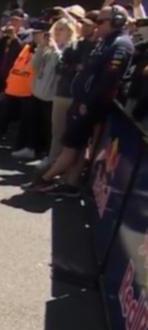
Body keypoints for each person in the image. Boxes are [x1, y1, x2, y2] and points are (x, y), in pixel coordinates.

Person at [26, 5, 135, 196]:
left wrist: (88, 103)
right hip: (81, 101)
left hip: (89, 105)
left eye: (101, 22)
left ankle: (44, 180)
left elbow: (108, 81)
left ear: (116, 22)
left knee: (70, 144)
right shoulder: (105, 41)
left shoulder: (120, 45)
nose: (97, 26)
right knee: (76, 145)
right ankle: (70, 183)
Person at [14, 19, 75, 161]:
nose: (58, 32)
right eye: (57, 28)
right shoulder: (48, 47)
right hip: (38, 90)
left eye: (62, 29)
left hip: (53, 94)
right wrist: (42, 47)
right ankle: (30, 148)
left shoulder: (69, 48)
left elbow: (58, 66)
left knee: (49, 127)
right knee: (32, 121)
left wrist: (54, 49)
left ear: (69, 32)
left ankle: (48, 154)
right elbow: (33, 66)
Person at [0, 40, 35, 151]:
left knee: (26, 122)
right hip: (12, 89)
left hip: (28, 92)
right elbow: (13, 67)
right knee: (1, 117)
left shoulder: (43, 51)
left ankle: (20, 146)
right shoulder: (25, 48)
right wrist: (6, 87)